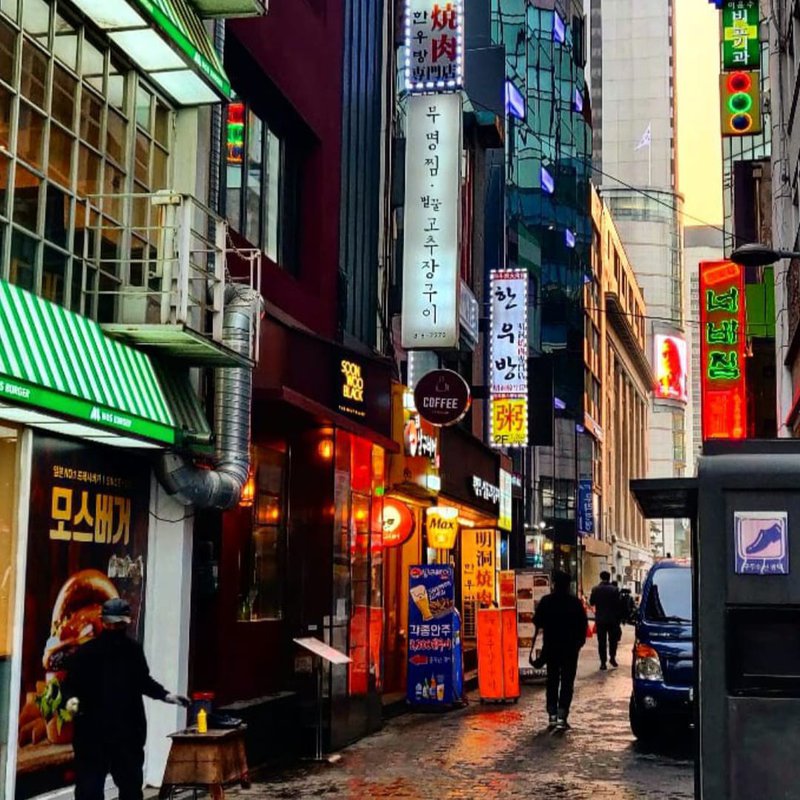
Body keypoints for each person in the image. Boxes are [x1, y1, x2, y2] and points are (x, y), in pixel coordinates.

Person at [63, 597, 190, 800]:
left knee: (130, 789)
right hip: (93, 735)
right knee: (89, 790)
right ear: (103, 622)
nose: (116, 628)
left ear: (127, 623)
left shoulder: (132, 651)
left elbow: (143, 681)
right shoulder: (86, 653)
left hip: (127, 734)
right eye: (113, 623)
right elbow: (70, 686)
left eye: (120, 624)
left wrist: (166, 695)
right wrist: (71, 702)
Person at [532, 571, 588, 731]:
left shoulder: (547, 601)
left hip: (551, 647)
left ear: (554, 584)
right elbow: (583, 626)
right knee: (567, 682)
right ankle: (563, 716)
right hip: (570, 649)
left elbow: (537, 621)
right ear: (568, 585)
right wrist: (579, 643)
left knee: (552, 680)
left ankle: (552, 715)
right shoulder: (575, 603)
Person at [590, 570, 621, 670]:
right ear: (609, 578)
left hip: (600, 620)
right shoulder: (614, 589)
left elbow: (591, 602)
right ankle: (612, 657)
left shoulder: (595, 589)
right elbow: (618, 605)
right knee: (613, 640)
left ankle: (603, 662)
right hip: (613, 620)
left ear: (600, 577)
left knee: (601, 642)